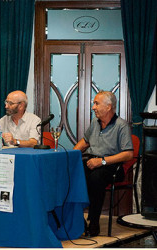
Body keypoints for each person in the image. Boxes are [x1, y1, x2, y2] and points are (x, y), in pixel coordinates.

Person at [73, 91, 133, 237]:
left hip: (112, 165)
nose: (93, 107)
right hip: (92, 161)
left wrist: (102, 161)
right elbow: (85, 142)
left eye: (96, 103)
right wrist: (71, 155)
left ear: (108, 107)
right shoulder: (95, 122)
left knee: (95, 178)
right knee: (73, 174)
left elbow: (128, 153)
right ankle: (76, 221)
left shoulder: (121, 126)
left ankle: (94, 223)